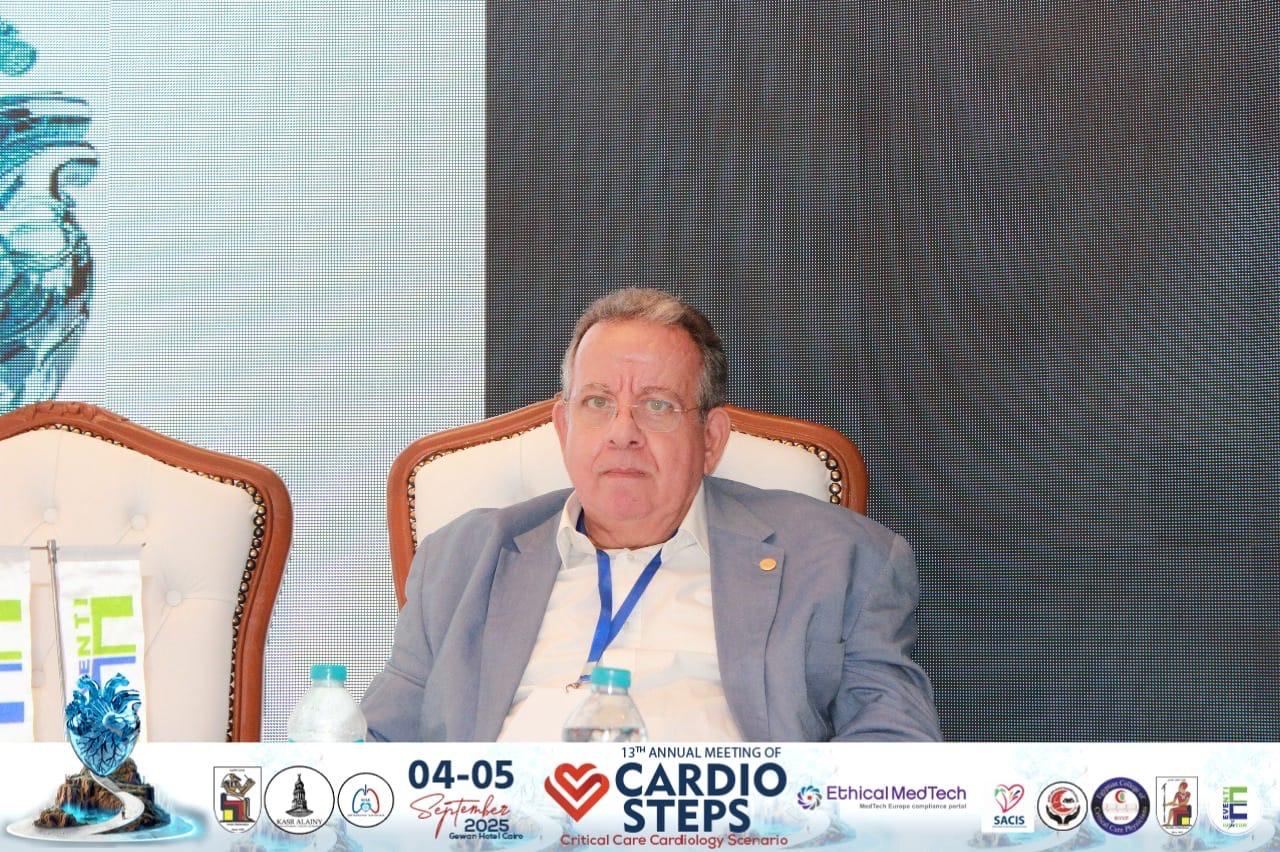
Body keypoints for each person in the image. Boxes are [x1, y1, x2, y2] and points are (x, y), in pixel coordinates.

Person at [361, 288, 941, 741]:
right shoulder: (461, 560)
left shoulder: (839, 559)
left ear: (711, 439)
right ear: (563, 428)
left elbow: (894, 753)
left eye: (657, 405)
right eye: (598, 402)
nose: (623, 433)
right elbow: (372, 756)